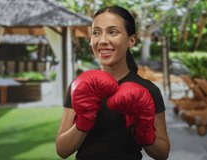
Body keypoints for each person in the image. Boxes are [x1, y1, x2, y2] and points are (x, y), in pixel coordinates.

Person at [55, 5, 170, 160]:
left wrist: (143, 130)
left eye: (113, 32)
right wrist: (84, 119)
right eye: (96, 33)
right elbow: (62, 150)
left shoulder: (149, 90)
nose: (102, 40)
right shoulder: (80, 86)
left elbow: (162, 154)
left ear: (131, 40)